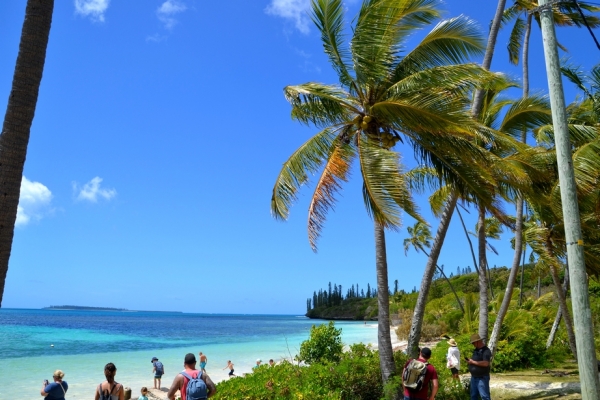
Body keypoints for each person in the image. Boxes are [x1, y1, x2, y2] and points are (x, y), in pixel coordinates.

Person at [466, 334, 492, 400]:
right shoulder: (476, 350)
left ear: (477, 342)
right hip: (474, 377)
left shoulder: (486, 351)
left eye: (473, 343)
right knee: (473, 396)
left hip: (482, 378)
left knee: (484, 397)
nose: (473, 344)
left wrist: (473, 362)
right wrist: (470, 362)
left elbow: (486, 363)